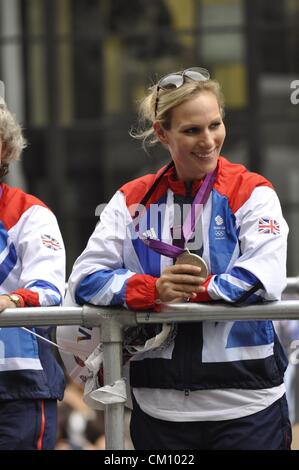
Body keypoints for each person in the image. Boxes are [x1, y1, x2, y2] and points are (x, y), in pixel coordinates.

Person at [66, 67, 291, 450]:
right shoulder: (130, 199)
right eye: (191, 130)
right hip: (160, 410)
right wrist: (150, 289)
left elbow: (262, 278)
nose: (209, 140)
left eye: (215, 125)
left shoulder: (252, 191)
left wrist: (185, 292)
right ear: (161, 133)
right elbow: (86, 279)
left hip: (248, 406)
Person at [0, 82, 66, 449]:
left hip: (17, 387)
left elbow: (50, 290)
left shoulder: (30, 213)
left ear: (5, 148)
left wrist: (10, 301)